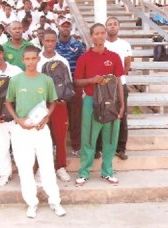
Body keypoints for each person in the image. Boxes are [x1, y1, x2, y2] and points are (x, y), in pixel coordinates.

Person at [6, 45, 66, 218]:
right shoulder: (16, 80)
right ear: (23, 60)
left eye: (34, 58)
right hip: (22, 130)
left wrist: (46, 118)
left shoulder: (46, 80)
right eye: (28, 59)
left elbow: (53, 101)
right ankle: (31, 203)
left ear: (38, 59)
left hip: (41, 130)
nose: (31, 62)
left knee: (47, 166)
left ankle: (55, 201)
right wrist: (18, 120)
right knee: (25, 168)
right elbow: (8, 101)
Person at [73, 23, 124, 187]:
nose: (100, 36)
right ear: (91, 36)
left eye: (102, 33)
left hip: (111, 101)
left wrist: (122, 105)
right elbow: (77, 81)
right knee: (89, 137)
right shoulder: (84, 58)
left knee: (110, 136)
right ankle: (84, 171)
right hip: (91, 101)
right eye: (96, 33)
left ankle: (107, 171)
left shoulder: (114, 57)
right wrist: (91, 80)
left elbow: (118, 83)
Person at [37, 29, 71, 182]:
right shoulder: (36, 60)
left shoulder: (62, 60)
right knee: (41, 137)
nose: (50, 44)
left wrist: (64, 97)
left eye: (52, 41)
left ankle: (61, 167)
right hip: (40, 105)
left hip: (58, 105)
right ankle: (41, 168)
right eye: (47, 41)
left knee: (60, 136)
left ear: (56, 41)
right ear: (42, 41)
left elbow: (68, 82)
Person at [0, 43, 22, 186]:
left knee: (20, 145)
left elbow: (21, 94)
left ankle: (23, 172)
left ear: (4, 53)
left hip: (15, 116)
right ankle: (5, 174)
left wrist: (18, 115)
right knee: (1, 147)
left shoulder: (16, 70)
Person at [103, 16, 132, 160]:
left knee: (122, 116)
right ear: (105, 27)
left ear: (118, 27)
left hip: (121, 85)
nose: (112, 26)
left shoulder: (125, 44)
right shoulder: (102, 44)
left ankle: (121, 148)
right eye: (109, 24)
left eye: (115, 24)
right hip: (104, 87)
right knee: (103, 115)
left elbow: (127, 64)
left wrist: (117, 77)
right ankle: (101, 147)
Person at [55, 17, 85, 157]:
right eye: (63, 26)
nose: (65, 28)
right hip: (57, 87)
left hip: (74, 85)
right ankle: (56, 145)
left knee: (76, 117)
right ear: (58, 27)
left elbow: (83, 63)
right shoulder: (53, 44)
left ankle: (76, 146)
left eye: (68, 26)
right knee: (57, 117)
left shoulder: (78, 44)